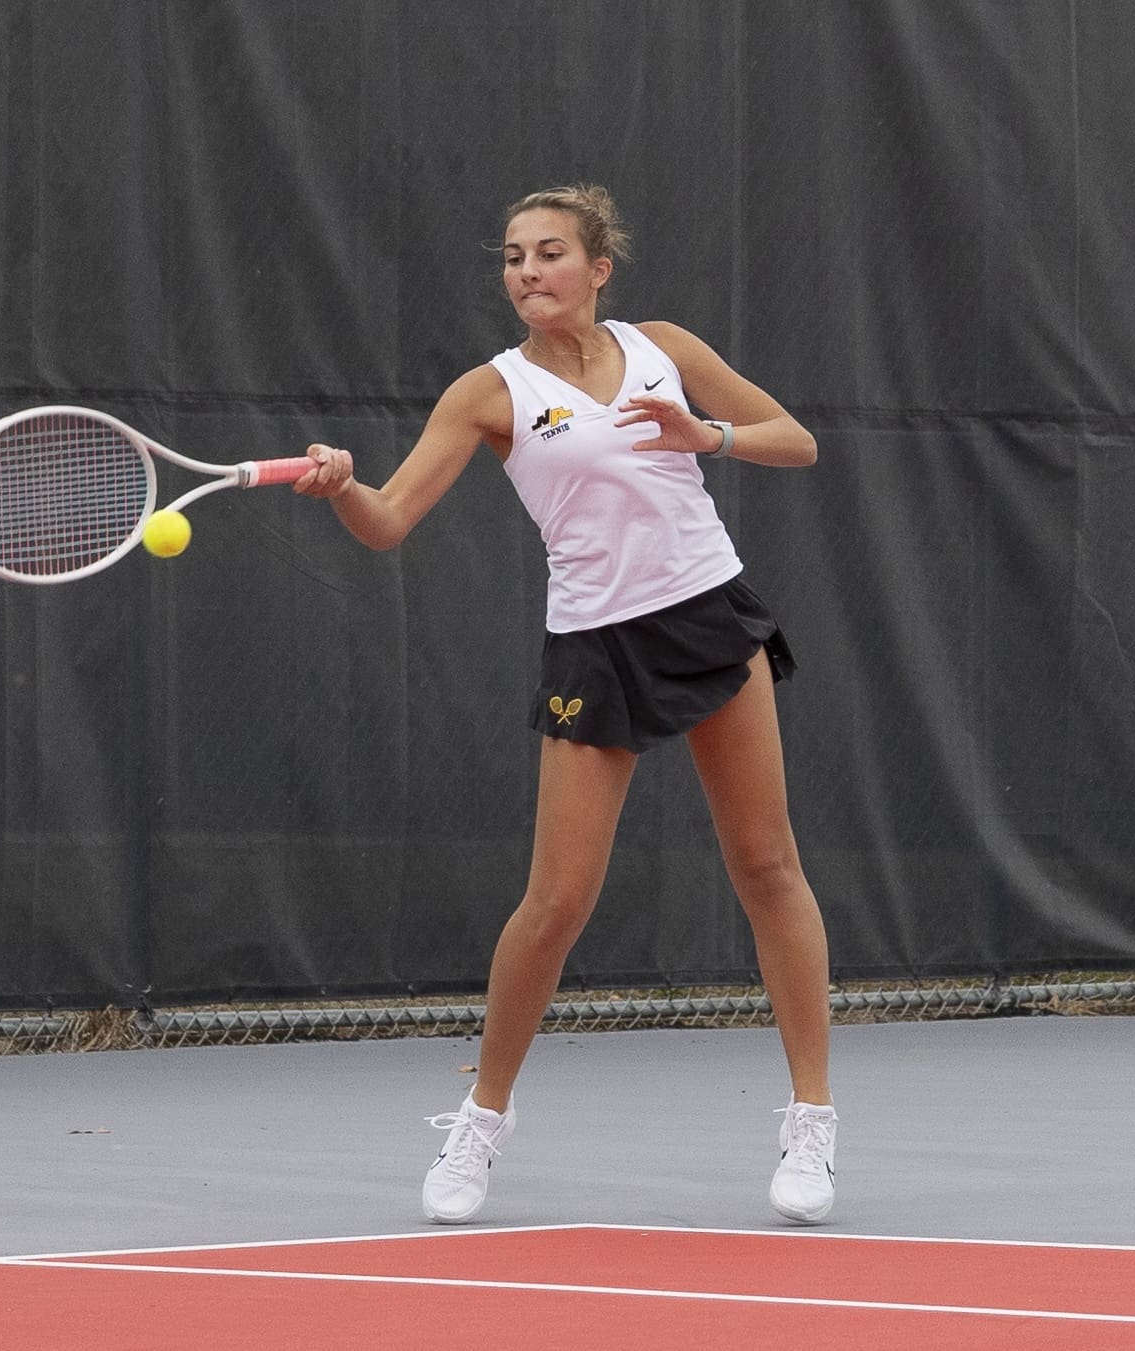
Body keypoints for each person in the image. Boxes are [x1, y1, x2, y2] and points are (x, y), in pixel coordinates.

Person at [293, 184, 836, 1225]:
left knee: (768, 867)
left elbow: (795, 439)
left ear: (599, 269)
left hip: (710, 613)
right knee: (555, 905)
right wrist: (344, 486)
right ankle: (481, 1120)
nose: (527, 271)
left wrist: (705, 434)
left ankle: (811, 1119)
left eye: (549, 252)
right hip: (594, 643)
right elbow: (389, 520)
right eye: (512, 257)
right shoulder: (487, 393)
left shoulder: (664, 346)